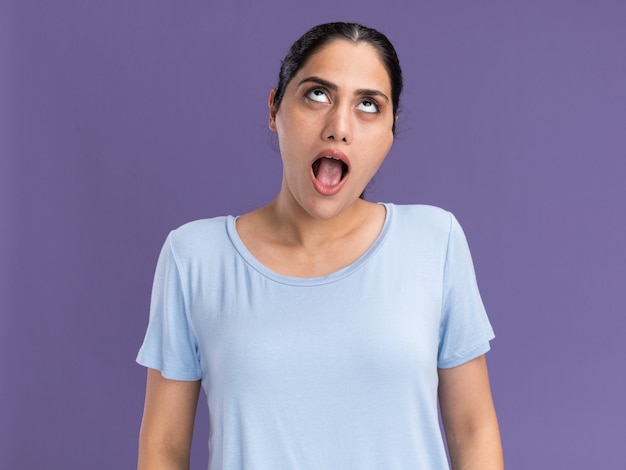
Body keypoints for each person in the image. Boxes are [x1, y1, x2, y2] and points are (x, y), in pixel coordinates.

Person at [136, 22, 503, 470]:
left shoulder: (435, 241)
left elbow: (472, 429)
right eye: (317, 94)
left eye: (368, 104)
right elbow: (164, 448)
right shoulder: (193, 256)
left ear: (390, 132)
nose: (339, 127)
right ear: (274, 109)